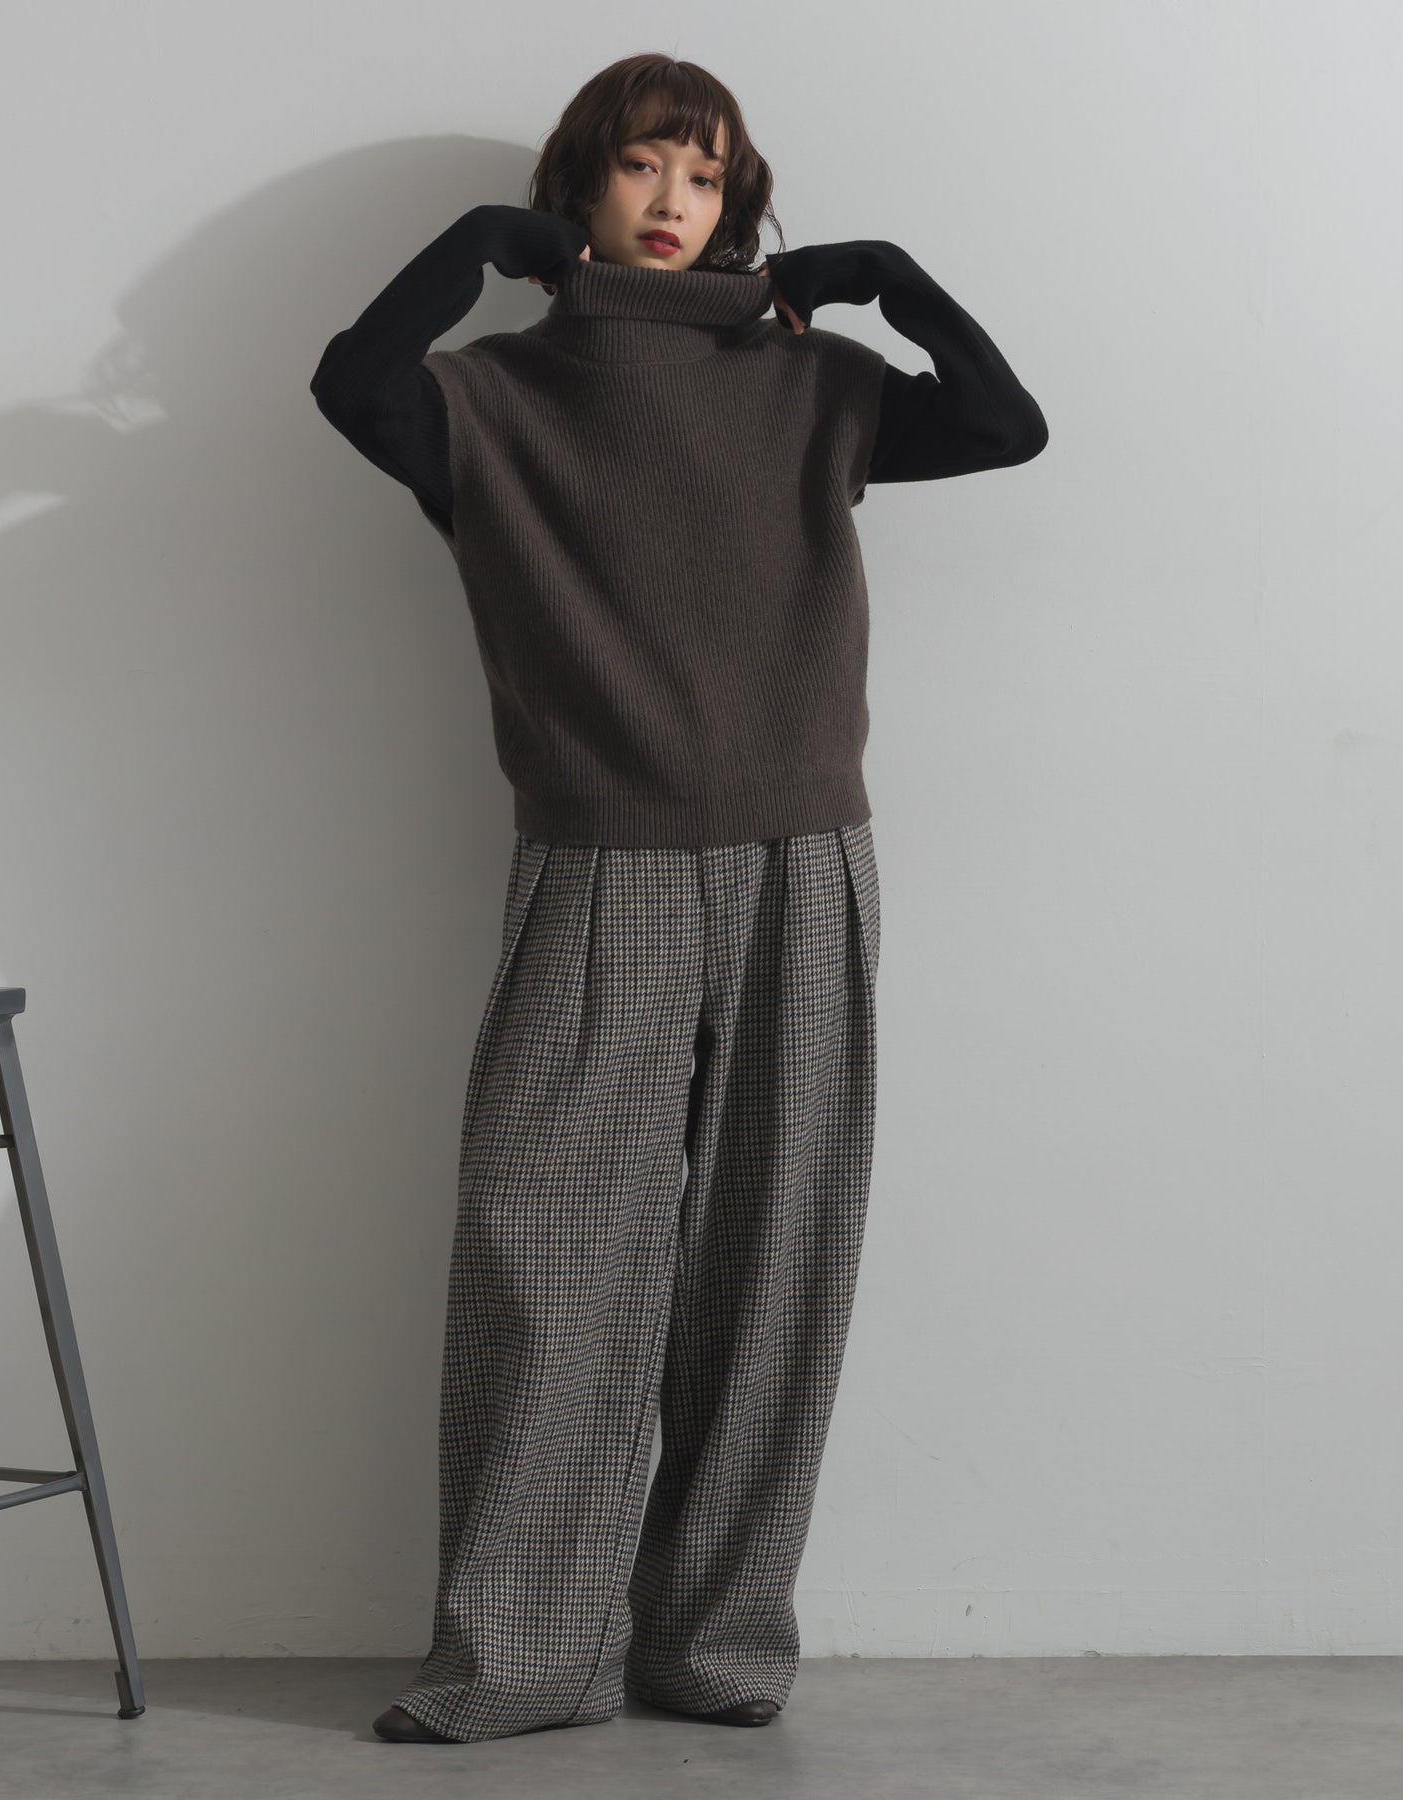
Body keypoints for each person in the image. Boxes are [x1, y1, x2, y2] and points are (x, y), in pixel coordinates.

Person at [311, 50, 1047, 1747]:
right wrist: (479, 242)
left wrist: (885, 279)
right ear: (582, 183)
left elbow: (1004, 425)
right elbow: (351, 383)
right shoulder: (493, 396)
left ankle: (712, 1644)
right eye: (643, 164)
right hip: (597, 864)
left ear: (738, 203)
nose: (673, 201)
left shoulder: (811, 384)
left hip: (807, 860)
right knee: (547, 1263)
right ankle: (519, 1660)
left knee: (773, 1263)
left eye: (706, 176)